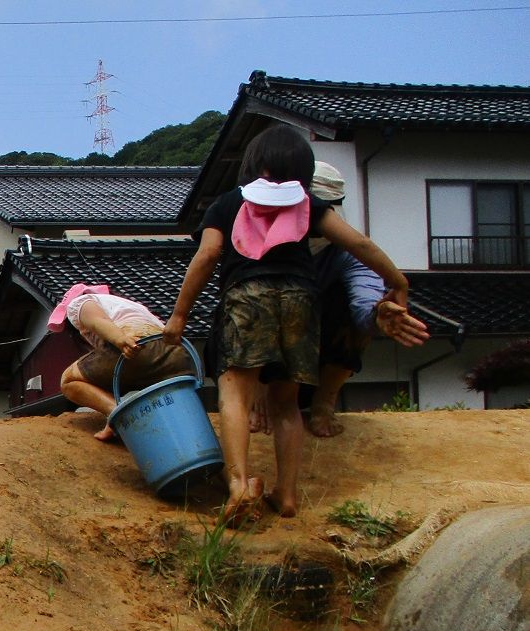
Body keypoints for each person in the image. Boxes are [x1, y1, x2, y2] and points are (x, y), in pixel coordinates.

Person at [164, 124, 412, 524]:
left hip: (246, 297)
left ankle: (239, 486)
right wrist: (398, 282)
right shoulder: (309, 205)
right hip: (301, 301)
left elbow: (208, 256)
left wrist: (178, 316)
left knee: (235, 397)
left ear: (254, 164)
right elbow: (359, 244)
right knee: (286, 403)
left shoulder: (227, 204)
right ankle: (288, 494)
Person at [304, 161, 430, 437]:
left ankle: (324, 401)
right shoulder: (262, 238)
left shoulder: (346, 252)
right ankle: (258, 397)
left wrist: (380, 312)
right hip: (270, 354)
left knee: (352, 311)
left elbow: (364, 301)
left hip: (321, 350)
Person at [54, 282, 192, 441]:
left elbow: (97, 320)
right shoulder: (134, 307)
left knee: (69, 380)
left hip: (136, 346)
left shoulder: (80, 302)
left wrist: (120, 340)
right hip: (179, 356)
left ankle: (119, 414)